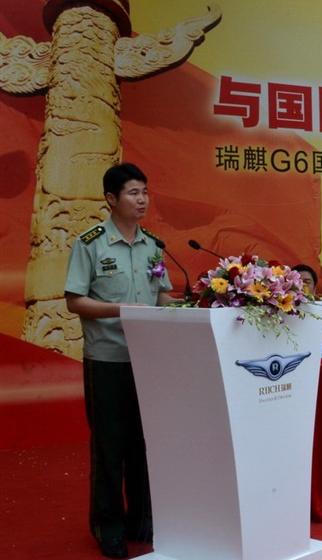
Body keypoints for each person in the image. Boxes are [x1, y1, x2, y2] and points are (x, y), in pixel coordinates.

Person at [64, 163, 173, 559]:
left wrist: (190, 303)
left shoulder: (154, 246)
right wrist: (120, 310)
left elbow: (161, 295)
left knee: (145, 443)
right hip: (107, 359)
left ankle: (141, 519)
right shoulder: (90, 243)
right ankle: (107, 525)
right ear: (111, 198)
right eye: (133, 193)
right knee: (110, 447)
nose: (142, 200)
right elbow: (75, 300)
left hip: (148, 360)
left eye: (145, 192)